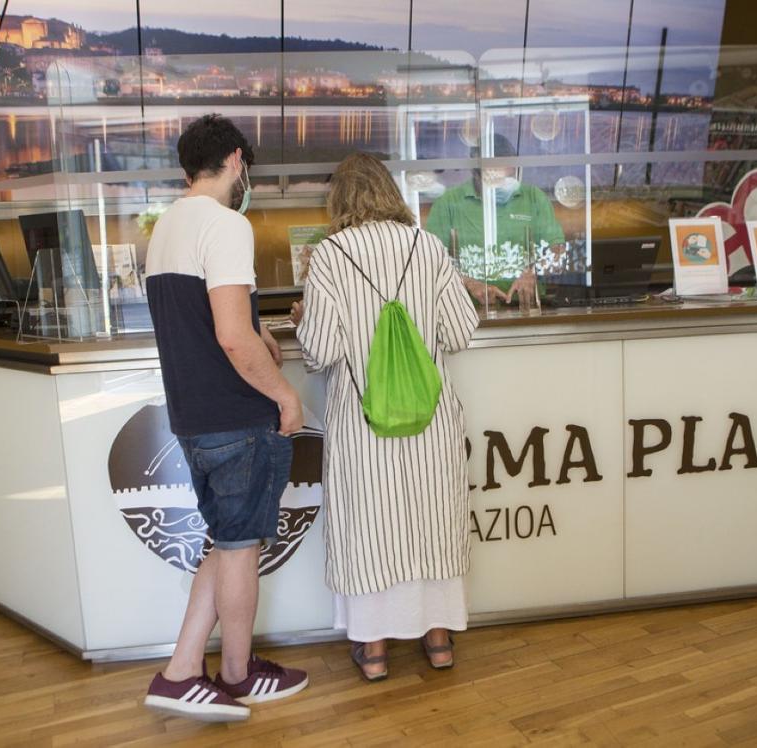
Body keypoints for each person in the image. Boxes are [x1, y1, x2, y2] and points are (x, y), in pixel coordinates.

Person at [141, 114, 308, 721]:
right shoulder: (226, 223)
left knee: (224, 541)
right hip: (236, 416)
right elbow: (232, 336)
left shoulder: (167, 226)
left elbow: (206, 316)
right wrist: (285, 395)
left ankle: (183, 669)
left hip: (194, 418)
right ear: (236, 160)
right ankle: (236, 675)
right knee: (239, 549)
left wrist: (259, 332)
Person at [293, 153, 479, 681]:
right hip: (431, 419)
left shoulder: (329, 255)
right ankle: (438, 642)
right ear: (390, 192)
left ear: (338, 199)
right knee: (432, 523)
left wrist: (303, 320)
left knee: (371, 530)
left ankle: (374, 651)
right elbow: (461, 332)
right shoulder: (427, 245)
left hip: (363, 424)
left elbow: (321, 351)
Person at [424, 133, 566, 307]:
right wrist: (468, 283)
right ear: (475, 172)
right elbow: (431, 259)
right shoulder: (449, 203)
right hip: (469, 310)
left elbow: (557, 250)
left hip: (525, 307)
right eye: (496, 179)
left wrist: (532, 273)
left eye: (509, 178)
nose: (504, 186)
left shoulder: (533, 197)